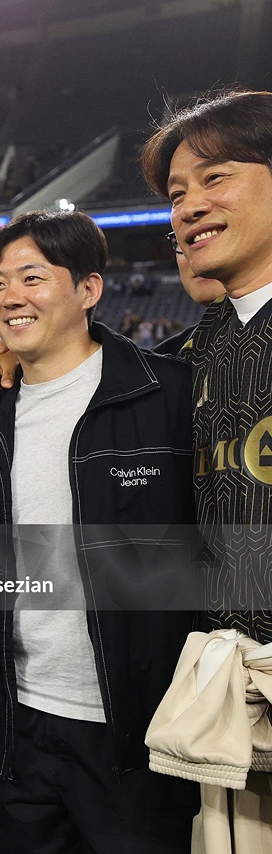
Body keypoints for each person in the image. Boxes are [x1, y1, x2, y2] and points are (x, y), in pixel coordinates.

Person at [0, 210, 199, 853]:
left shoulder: (169, 395)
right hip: (20, 730)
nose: (10, 297)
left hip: (138, 735)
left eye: (32, 277)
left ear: (89, 290)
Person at [141, 89, 272, 644]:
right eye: (177, 194)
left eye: (214, 178)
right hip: (215, 689)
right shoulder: (184, 360)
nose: (189, 206)